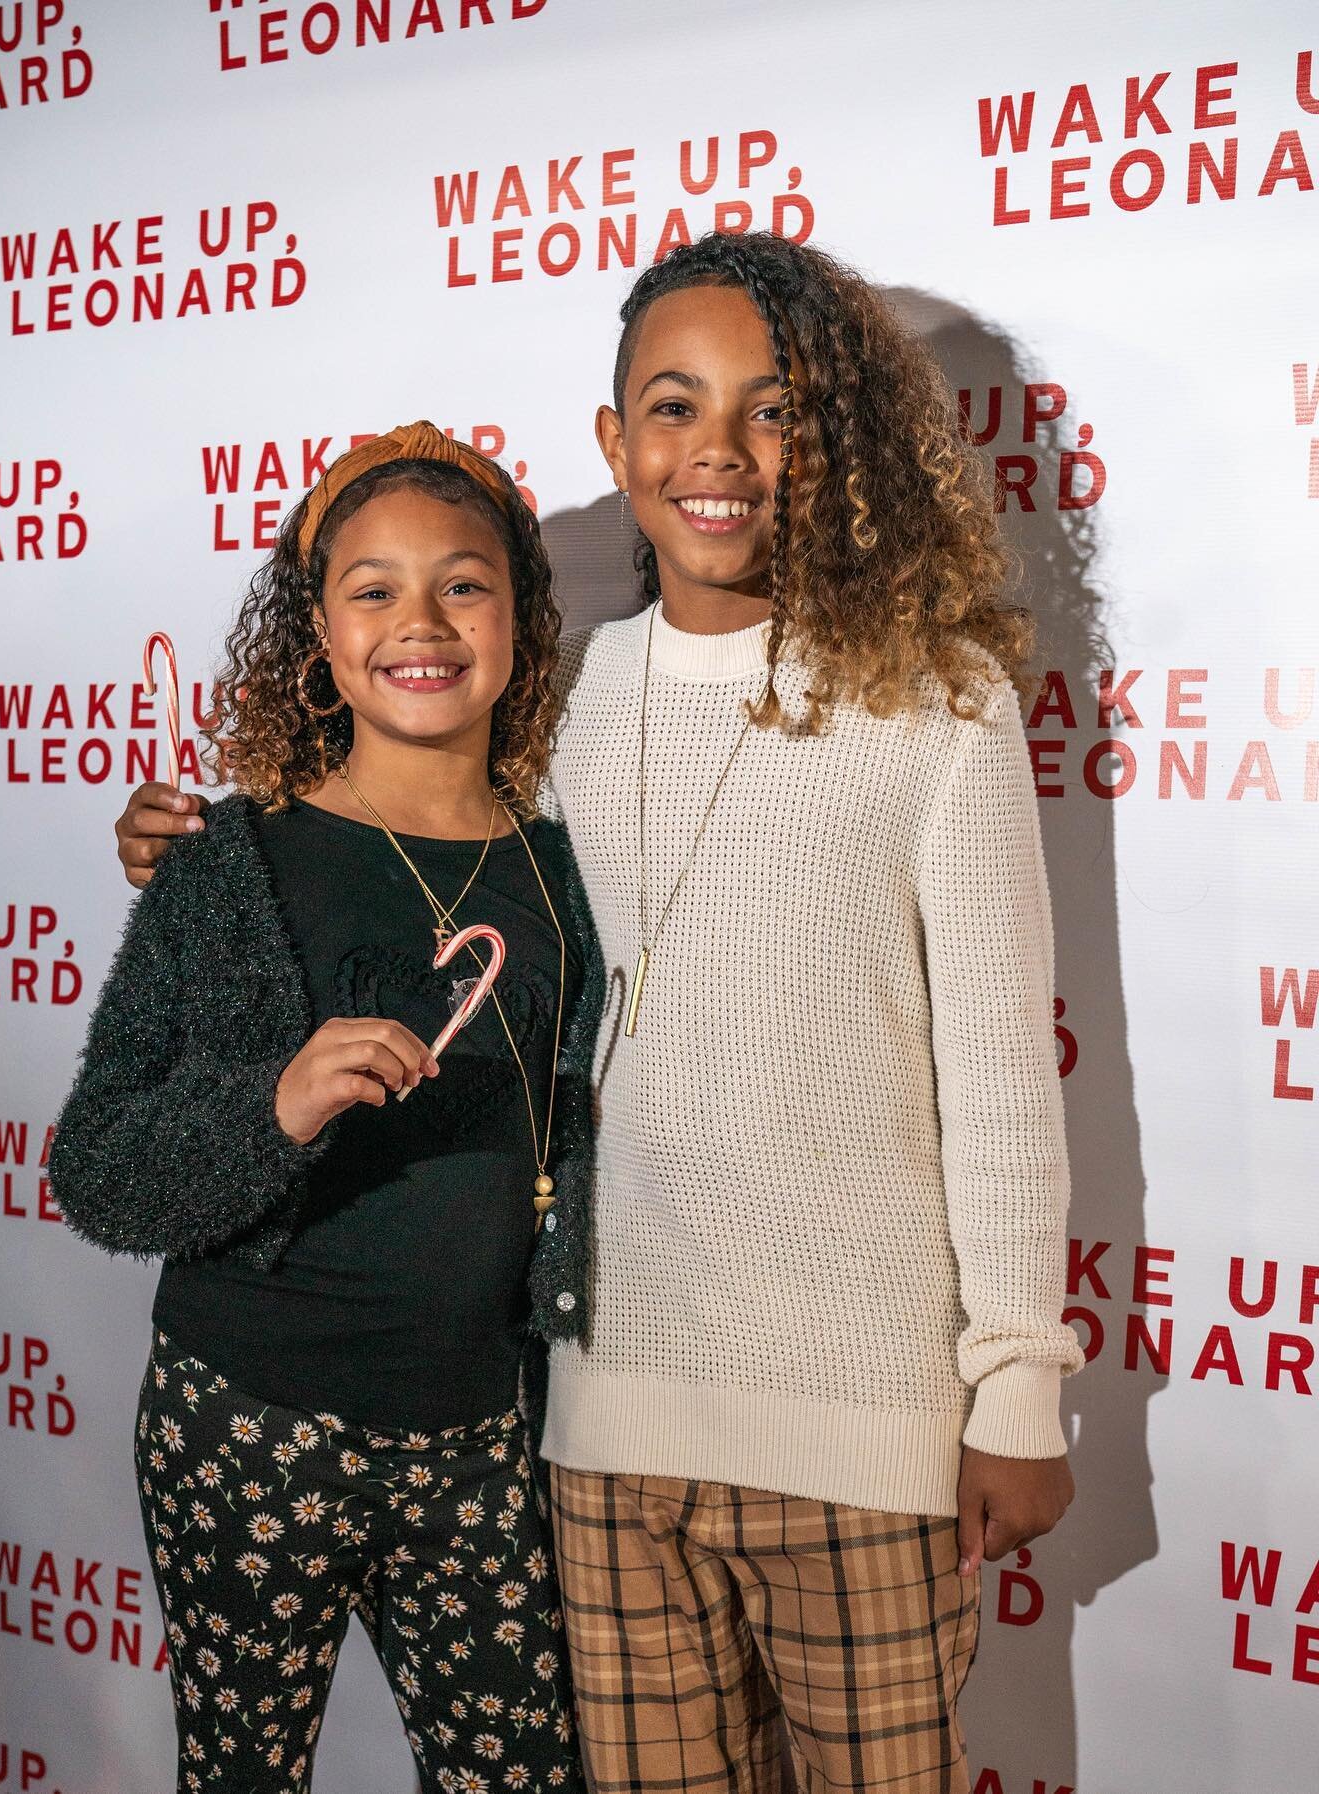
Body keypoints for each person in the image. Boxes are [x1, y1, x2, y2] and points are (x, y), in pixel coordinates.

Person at [116, 233, 1083, 1794]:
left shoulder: (939, 703)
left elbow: (1002, 1080)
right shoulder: (558, 711)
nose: (718, 453)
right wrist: (211, 835)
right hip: (599, 1437)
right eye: (674, 406)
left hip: (864, 1432)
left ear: (829, 439)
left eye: (770, 410)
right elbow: (384, 804)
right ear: (614, 444)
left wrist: (1019, 1384)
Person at [52, 423, 601, 1794]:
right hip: (245, 1421)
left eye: (463, 583)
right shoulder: (228, 858)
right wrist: (276, 1101)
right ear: (317, 629)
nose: (420, 621)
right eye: (373, 587)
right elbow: (100, 1168)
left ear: (522, 622)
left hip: (486, 1435)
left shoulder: (574, 864)